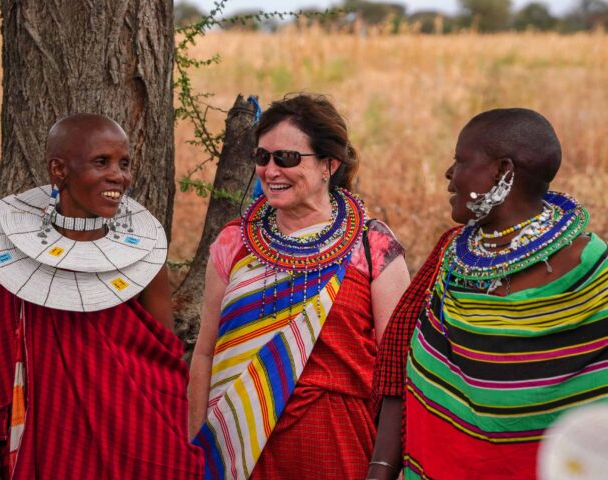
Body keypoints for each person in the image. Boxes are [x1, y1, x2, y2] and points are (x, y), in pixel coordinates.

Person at [0, 114, 203, 479]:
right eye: (102, 162)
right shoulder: (8, 260)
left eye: (124, 164)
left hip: (133, 450)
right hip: (41, 452)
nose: (119, 176)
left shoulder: (142, 258)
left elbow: (164, 367)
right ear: (59, 170)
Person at [368, 108, 608, 480]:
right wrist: (380, 469)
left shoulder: (594, 277)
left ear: (502, 172)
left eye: (460, 161)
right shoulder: (451, 259)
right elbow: (398, 367)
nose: (449, 175)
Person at [189, 94, 410, 479]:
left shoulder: (372, 246)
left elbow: (398, 370)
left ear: (329, 164)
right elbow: (205, 353)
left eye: (287, 158)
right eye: (262, 157)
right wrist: (196, 447)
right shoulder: (234, 243)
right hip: (238, 447)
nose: (271, 170)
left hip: (337, 446)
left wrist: (385, 465)